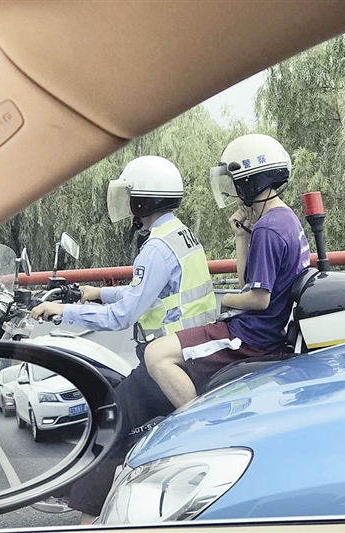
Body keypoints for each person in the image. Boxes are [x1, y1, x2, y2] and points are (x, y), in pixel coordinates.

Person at [31, 155, 217, 523]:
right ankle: (76, 489)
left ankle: (87, 512)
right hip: (190, 349)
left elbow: (123, 316)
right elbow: (146, 293)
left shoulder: (156, 248)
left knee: (110, 422)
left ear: (143, 200)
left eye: (130, 196)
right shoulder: (179, 235)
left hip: (167, 363)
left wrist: (63, 312)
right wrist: (96, 293)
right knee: (113, 400)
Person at [145, 133, 311, 408]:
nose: (232, 190)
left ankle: (197, 426)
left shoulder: (268, 228)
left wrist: (226, 300)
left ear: (251, 180)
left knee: (156, 355)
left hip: (249, 338)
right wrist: (241, 237)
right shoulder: (285, 219)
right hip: (262, 330)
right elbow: (249, 283)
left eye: (235, 181)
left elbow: (259, 299)